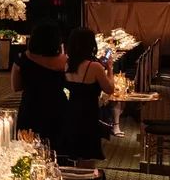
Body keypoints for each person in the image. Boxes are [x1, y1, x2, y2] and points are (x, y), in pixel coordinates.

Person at [61, 27, 116, 163]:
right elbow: (109, 89)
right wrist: (110, 69)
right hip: (88, 114)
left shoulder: (66, 64)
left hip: (70, 111)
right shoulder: (94, 66)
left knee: (73, 153)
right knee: (88, 157)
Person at [12, 20, 67, 154]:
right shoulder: (64, 61)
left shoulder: (23, 59)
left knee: (28, 149)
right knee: (55, 149)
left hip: (31, 107)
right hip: (57, 107)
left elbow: (16, 86)